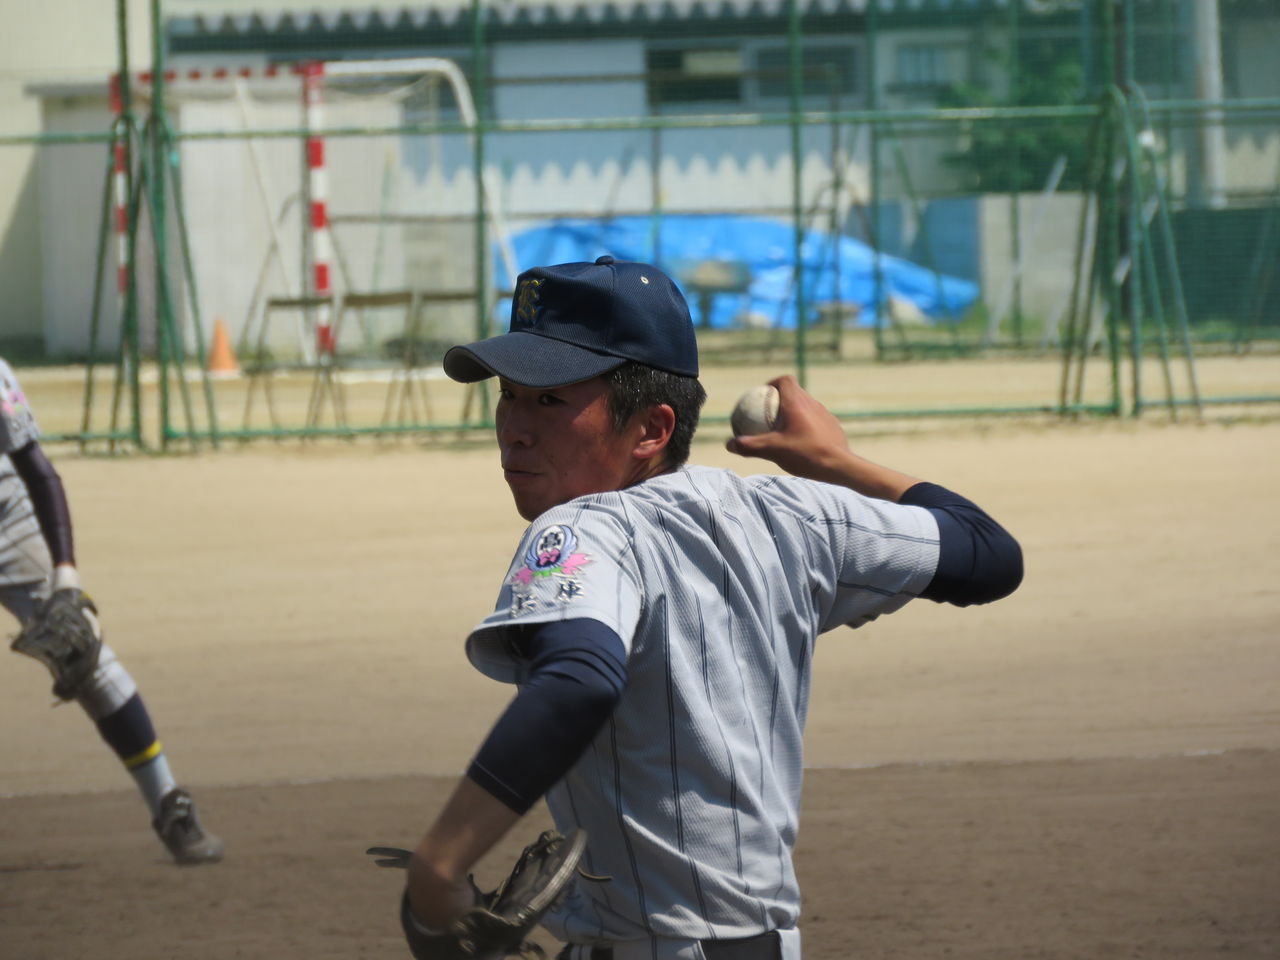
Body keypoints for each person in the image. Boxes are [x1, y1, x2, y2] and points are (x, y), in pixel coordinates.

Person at [399, 256, 1021, 959]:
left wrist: (438, 867)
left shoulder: (584, 529)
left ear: (651, 429)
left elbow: (580, 679)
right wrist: (834, 463)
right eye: (509, 395)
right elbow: (987, 552)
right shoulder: (792, 514)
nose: (514, 427)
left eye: (549, 401)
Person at [0, 356, 223, 865]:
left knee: (86, 658)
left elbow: (39, 472)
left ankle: (169, 804)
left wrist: (65, 573)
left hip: (6, 516)